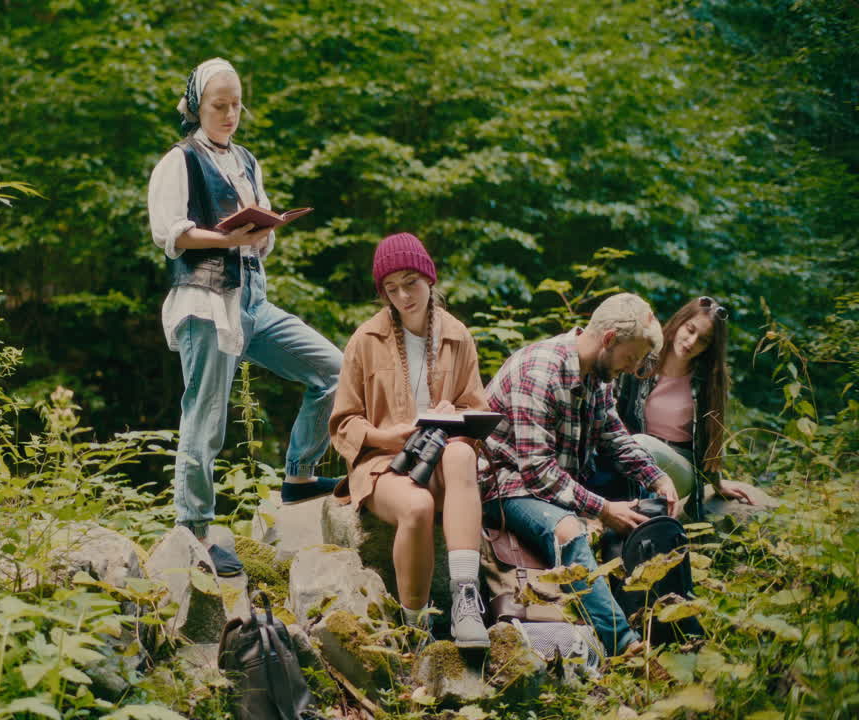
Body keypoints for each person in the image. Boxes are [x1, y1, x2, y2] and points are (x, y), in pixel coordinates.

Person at [147, 58, 343, 577]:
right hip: (205, 301)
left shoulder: (247, 160)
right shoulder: (179, 160)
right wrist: (227, 238)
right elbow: (169, 233)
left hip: (252, 298)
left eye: (236, 105)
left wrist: (264, 230)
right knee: (205, 415)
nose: (231, 114)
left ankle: (298, 475)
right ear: (196, 107)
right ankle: (196, 531)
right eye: (219, 105)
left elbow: (263, 237)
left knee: (333, 371)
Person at [479, 293, 678, 656]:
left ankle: (670, 629)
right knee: (570, 530)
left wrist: (657, 479)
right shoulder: (539, 371)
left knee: (649, 514)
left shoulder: (598, 378)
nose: (632, 369)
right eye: (630, 357)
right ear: (608, 339)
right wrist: (602, 509)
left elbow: (615, 437)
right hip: (507, 486)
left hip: (553, 487)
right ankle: (625, 645)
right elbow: (537, 472)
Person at [329, 232, 490, 648]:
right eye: (391, 288)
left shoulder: (456, 336)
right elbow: (343, 422)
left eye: (410, 282)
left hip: (440, 459)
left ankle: (465, 600)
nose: (403, 296)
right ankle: (415, 625)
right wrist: (384, 436)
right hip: (384, 464)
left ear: (429, 278)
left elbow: (478, 412)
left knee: (458, 457)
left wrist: (456, 419)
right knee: (417, 507)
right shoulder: (365, 340)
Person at [615, 296, 754, 516]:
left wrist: (717, 485)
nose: (691, 342)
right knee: (632, 448)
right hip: (633, 462)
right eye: (690, 330)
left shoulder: (709, 380)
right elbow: (615, 415)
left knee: (640, 444)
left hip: (679, 466)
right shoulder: (642, 361)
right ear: (679, 322)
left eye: (703, 340)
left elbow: (711, 438)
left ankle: (647, 525)